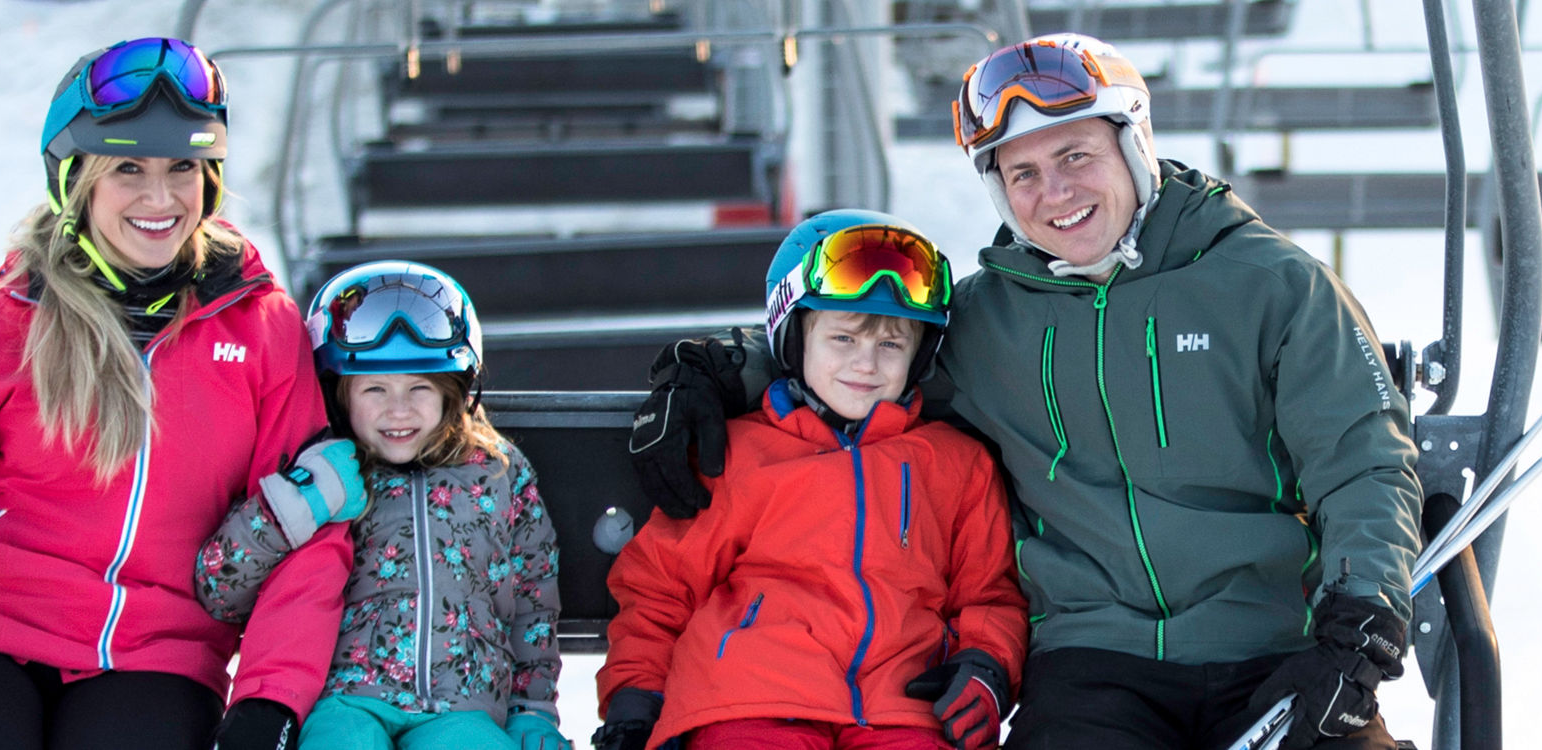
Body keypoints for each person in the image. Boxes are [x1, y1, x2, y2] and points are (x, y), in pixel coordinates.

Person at [626, 35, 1423, 750]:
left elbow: (1361, 458)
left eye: (1075, 156)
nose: (1055, 193)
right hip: (1094, 664)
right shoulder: (986, 322)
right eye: (1023, 174)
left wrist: (1360, 624)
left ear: (1134, 146)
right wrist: (723, 368)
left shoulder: (1269, 284)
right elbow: (859, 356)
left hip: (1272, 643)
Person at [0, 37, 357, 750]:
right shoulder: (1, 322)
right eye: (128, 168)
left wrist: (269, 698)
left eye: (183, 167)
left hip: (158, 652)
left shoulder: (260, 331)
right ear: (76, 179)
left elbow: (307, 532)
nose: (160, 198)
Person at [595, 211, 1028, 750]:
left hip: (904, 709)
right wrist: (636, 696)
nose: (866, 364)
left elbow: (989, 594)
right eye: (842, 337)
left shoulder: (954, 465)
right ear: (793, 337)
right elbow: (661, 590)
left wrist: (986, 666)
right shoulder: (738, 454)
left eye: (891, 345)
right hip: (751, 700)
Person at [194, 261, 570, 750]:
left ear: (453, 391)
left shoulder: (497, 471)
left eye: (419, 387)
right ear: (340, 394)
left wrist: (532, 709)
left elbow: (533, 601)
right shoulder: (325, 470)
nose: (398, 409)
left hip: (463, 707)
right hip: (347, 701)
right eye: (375, 389)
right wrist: (296, 503)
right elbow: (218, 587)